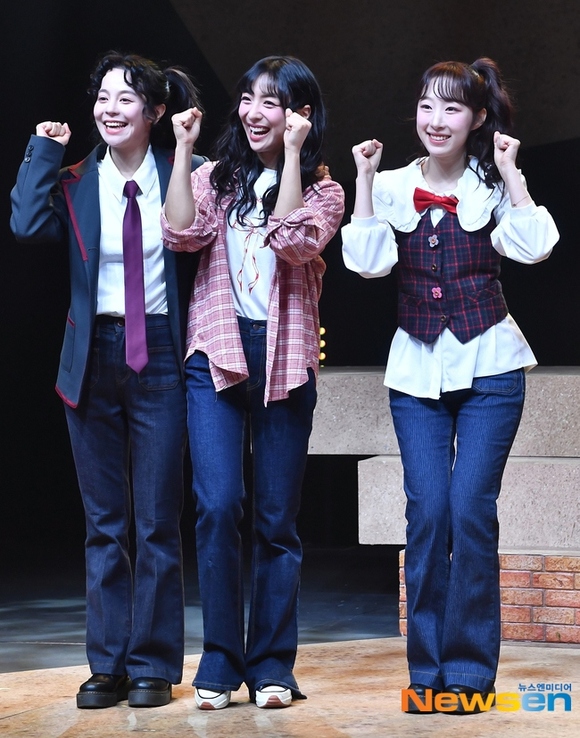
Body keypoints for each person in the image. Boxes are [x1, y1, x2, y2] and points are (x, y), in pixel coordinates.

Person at [341, 58, 559, 714]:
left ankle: (468, 674)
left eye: (453, 108)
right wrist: (364, 180)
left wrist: (513, 173)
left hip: (491, 369)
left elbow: (536, 247)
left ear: (478, 118)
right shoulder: (394, 184)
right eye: (427, 106)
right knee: (429, 514)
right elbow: (367, 264)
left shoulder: (490, 184)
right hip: (415, 375)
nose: (436, 121)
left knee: (470, 512)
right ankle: (427, 673)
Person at [10, 51, 207, 709]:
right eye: (102, 97)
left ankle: (153, 663)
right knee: (105, 523)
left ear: (155, 111)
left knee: (155, 521)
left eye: (126, 98)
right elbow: (25, 224)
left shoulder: (183, 172)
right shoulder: (74, 179)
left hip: (160, 354)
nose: (110, 109)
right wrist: (42, 151)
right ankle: (108, 663)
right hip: (91, 356)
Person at [162, 55, 344, 710]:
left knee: (275, 520)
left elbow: (292, 242)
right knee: (217, 507)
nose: (253, 112)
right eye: (247, 98)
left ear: (301, 114)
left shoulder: (325, 191)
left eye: (271, 100)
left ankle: (271, 665)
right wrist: (184, 149)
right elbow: (180, 232)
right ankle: (218, 660)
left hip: (285, 356)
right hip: (216, 347)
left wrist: (291, 155)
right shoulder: (219, 177)